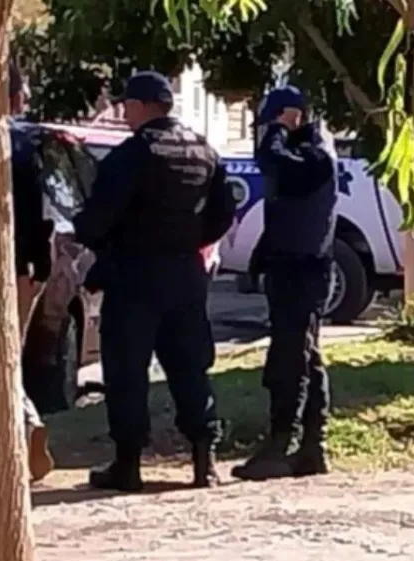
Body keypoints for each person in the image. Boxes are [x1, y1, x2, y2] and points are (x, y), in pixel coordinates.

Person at [72, 71, 236, 492]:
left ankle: (128, 465)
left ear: (142, 106)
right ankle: (205, 460)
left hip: (136, 274)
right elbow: (222, 216)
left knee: (127, 370)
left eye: (127, 105)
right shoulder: (204, 152)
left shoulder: (131, 155)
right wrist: (189, 242)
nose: (124, 113)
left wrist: (95, 237)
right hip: (186, 273)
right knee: (190, 365)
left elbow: (96, 221)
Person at [231, 86, 337, 481]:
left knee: (290, 359)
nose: (267, 133)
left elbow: (273, 162)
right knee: (305, 356)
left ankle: (282, 444)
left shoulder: (314, 156)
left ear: (294, 115)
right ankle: (311, 446)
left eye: (274, 122)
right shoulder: (307, 153)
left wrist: (278, 130)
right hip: (293, 266)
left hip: (303, 271)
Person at [8, 59, 56, 482]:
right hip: (19, 266)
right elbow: (39, 212)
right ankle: (26, 425)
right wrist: (40, 264)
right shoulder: (22, 144)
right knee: (8, 359)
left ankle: (24, 426)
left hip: (17, 262)